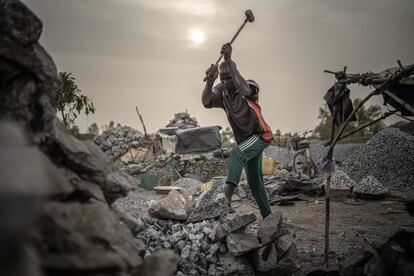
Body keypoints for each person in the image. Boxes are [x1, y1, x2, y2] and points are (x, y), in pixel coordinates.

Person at [202, 43, 273, 219]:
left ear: (235, 74)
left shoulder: (249, 86)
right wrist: (211, 81)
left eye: (229, 79)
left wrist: (229, 61)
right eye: (223, 80)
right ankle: (269, 218)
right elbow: (206, 102)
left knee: (236, 154)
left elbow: (244, 88)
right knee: (255, 184)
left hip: (259, 136)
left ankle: (226, 197)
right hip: (246, 142)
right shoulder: (222, 91)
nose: (226, 83)